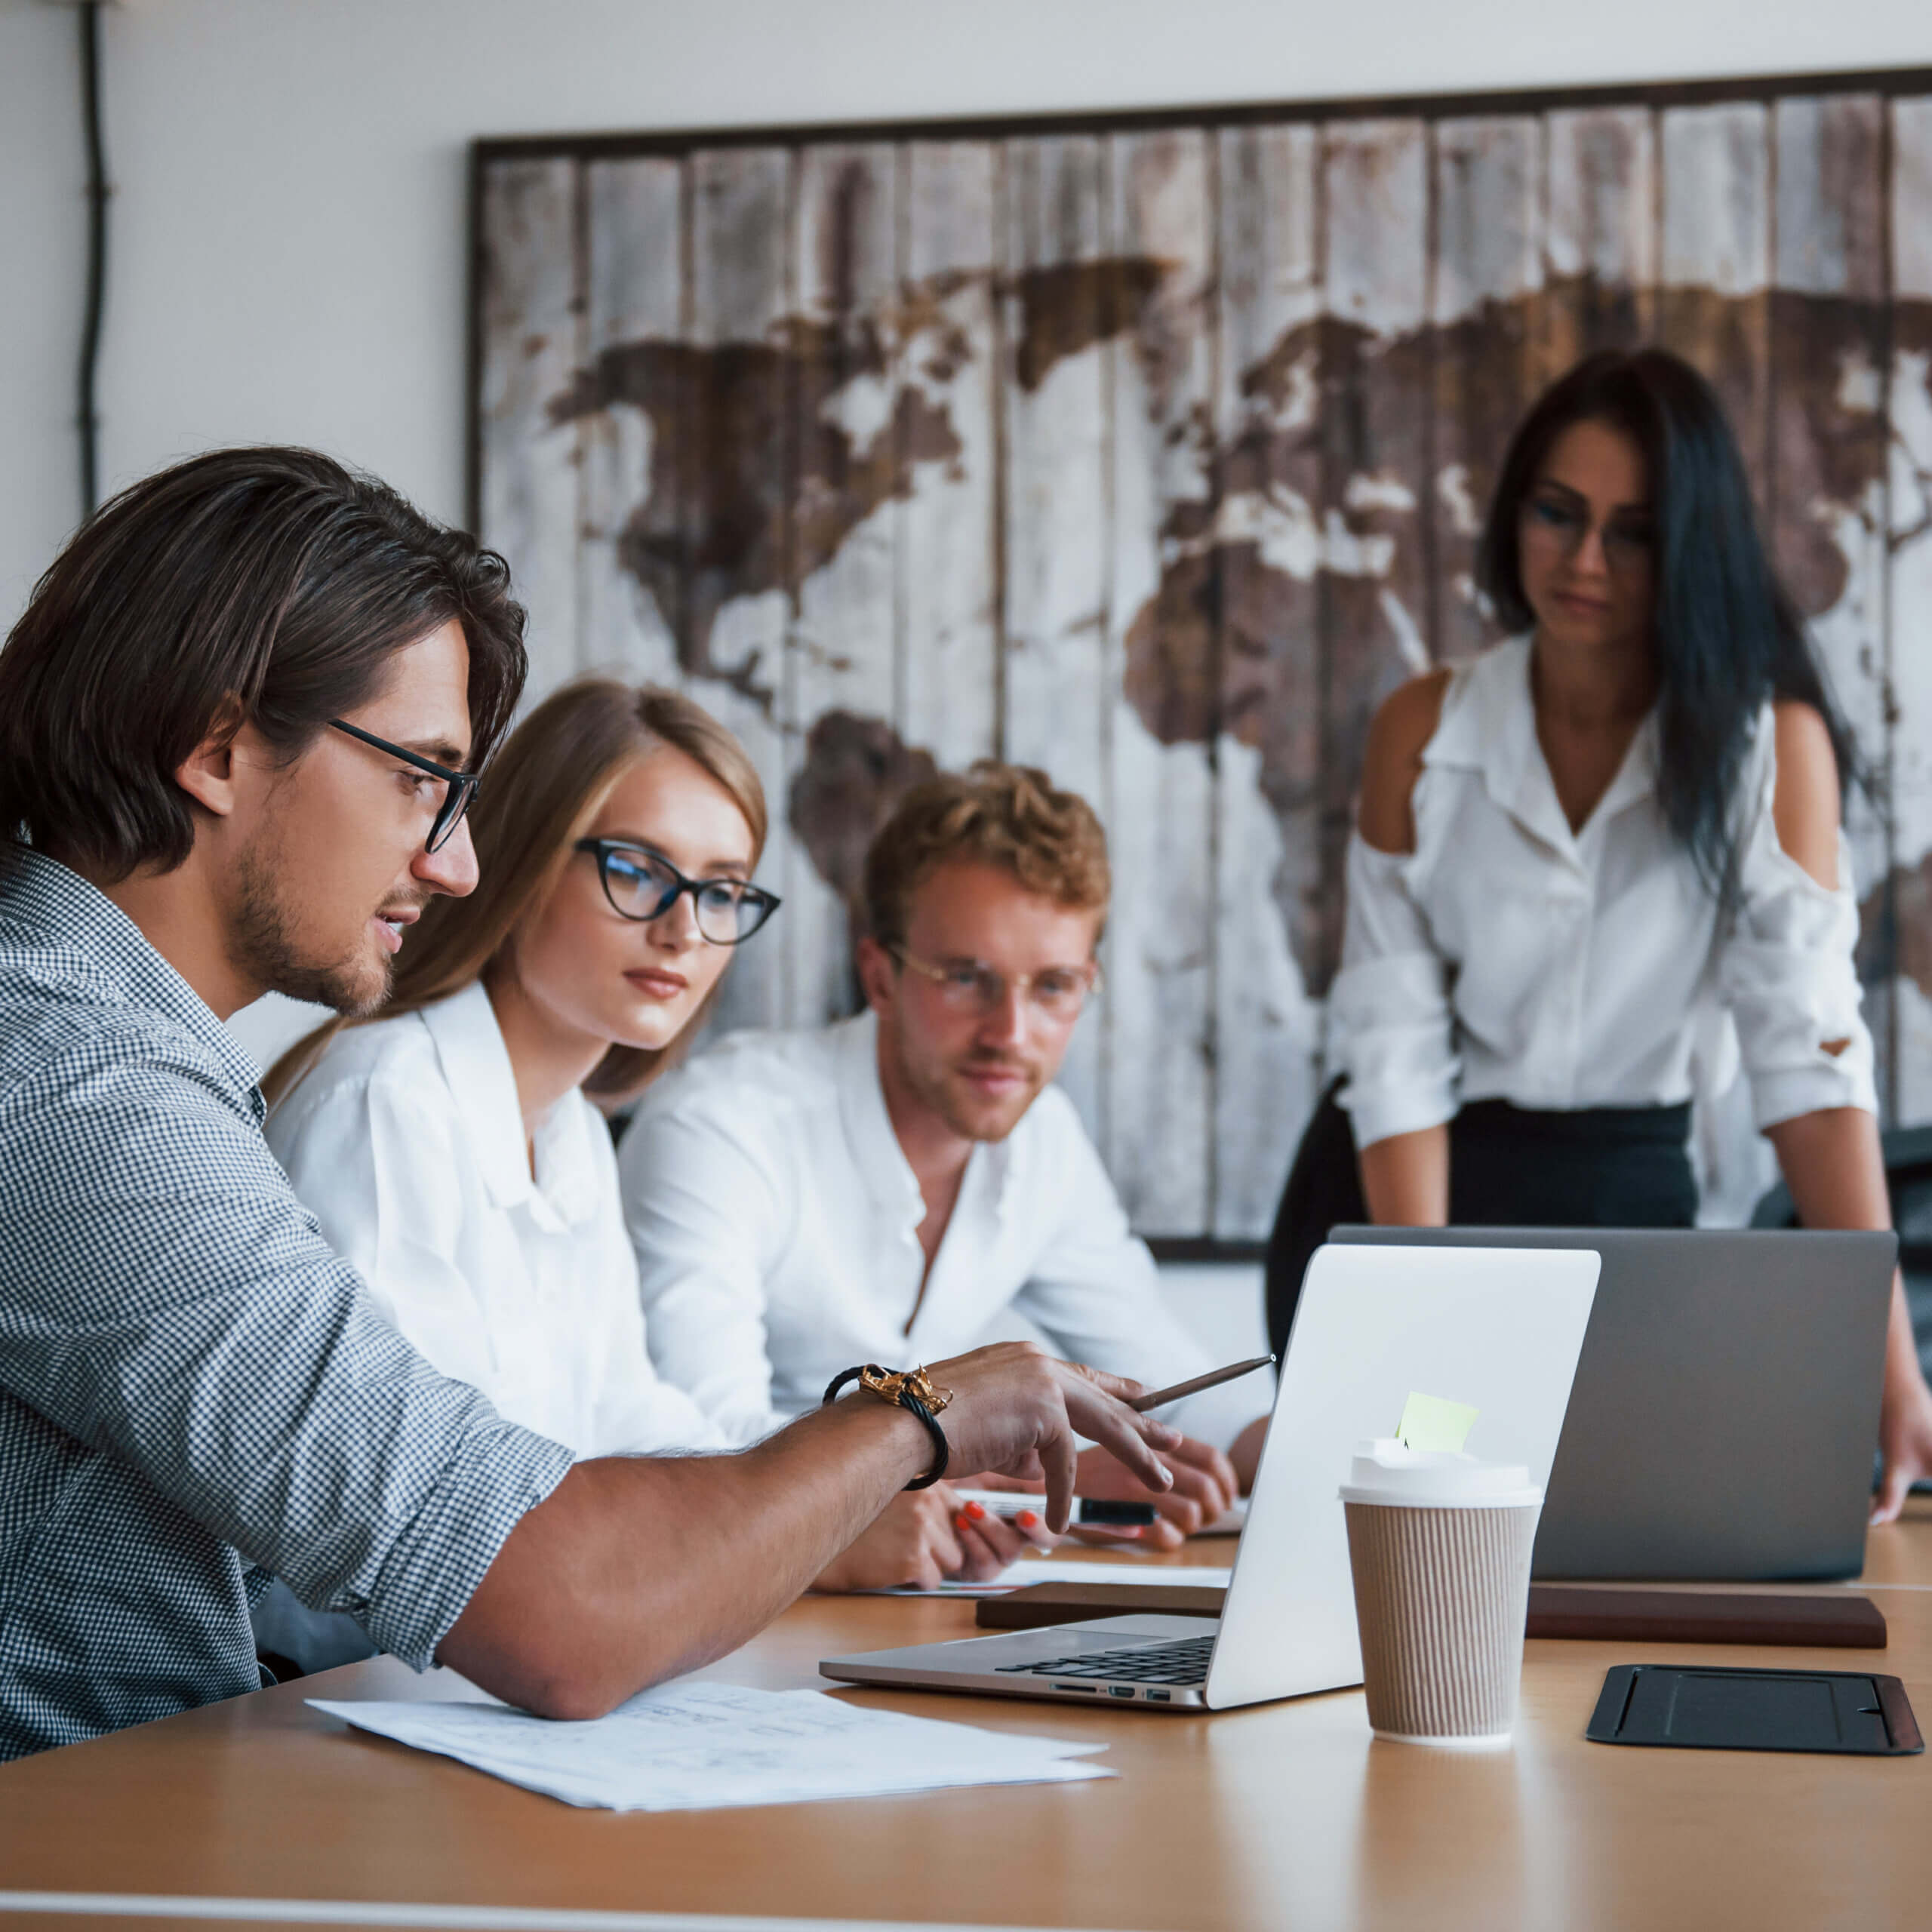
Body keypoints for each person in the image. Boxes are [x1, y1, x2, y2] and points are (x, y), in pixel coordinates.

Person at [0, 448, 1177, 1759]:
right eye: (419, 777)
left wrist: (847, 1490)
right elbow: (555, 1609)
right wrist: (917, 1418)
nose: (452, 862)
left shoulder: (102, 1055)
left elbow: (612, 1453)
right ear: (214, 749)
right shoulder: (78, 1088)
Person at [1280, 347, 1932, 1521]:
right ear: (1514, 511)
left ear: (1689, 549)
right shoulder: (1424, 727)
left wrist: (1890, 1362)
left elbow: (1809, 1059)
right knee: (1409, 1553)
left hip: (1626, 1199)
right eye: (1557, 513)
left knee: (1628, 1549)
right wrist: (1418, 1326)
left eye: (1632, 532)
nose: (1584, 561)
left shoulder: (1765, 747)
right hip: (1410, 1186)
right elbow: (1392, 1056)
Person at [261, 677, 1042, 1627]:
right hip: (347, 1697)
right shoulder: (389, 1101)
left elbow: (643, 1426)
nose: (683, 927)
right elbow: (411, 1529)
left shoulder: (573, 1130)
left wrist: (861, 1496)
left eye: (720, 890)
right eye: (636, 868)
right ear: (524, 854)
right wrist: (823, 1525)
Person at [619, 762, 1269, 1587]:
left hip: (900, 1610)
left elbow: (1168, 1391)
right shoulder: (720, 1126)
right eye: (967, 978)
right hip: (723, 1610)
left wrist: (1329, 1456)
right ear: (880, 975)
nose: (1012, 1032)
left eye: (1054, 986)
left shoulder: (1044, 1144)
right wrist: (991, 1481)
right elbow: (700, 1444)